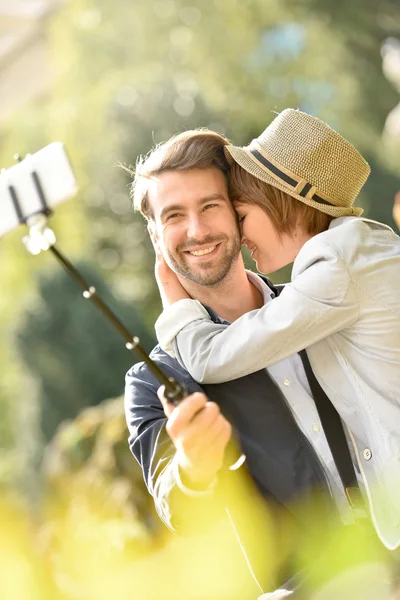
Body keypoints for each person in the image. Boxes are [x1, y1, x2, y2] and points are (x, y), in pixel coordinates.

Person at [124, 127, 392, 599]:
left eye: (210, 206)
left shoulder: (323, 306)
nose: (197, 230)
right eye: (174, 216)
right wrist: (193, 467)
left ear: (238, 208)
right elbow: (176, 504)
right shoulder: (152, 380)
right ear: (155, 235)